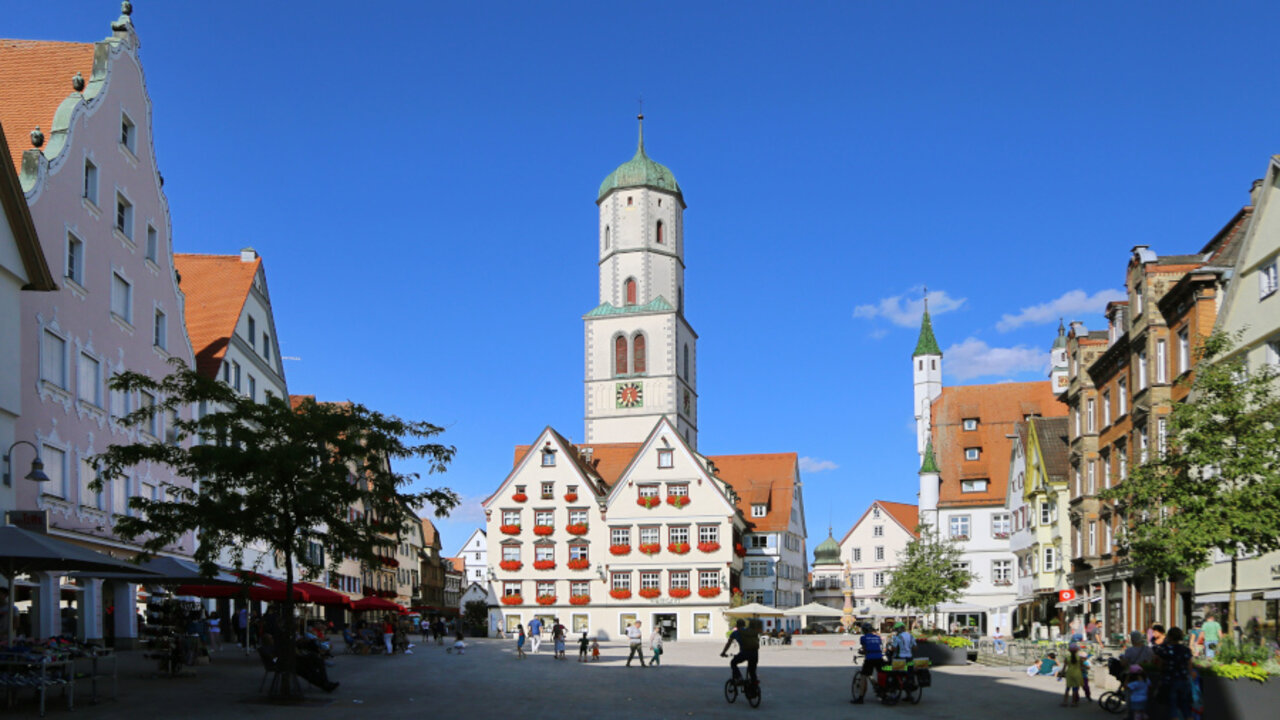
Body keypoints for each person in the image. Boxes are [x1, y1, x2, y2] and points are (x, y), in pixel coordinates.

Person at [1154, 626, 1194, 719]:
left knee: (1173, 707)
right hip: (1184, 679)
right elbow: (1189, 664)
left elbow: (1160, 664)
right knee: (1186, 707)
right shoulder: (1185, 649)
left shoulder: (1165, 649)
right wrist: (1190, 674)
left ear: (1169, 636)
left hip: (1170, 680)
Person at [851, 623, 885, 704]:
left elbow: (865, 649)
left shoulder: (863, 638)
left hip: (870, 658)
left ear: (864, 630)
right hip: (879, 658)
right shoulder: (877, 637)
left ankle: (860, 698)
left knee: (863, 676)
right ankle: (883, 691)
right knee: (882, 673)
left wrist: (861, 652)